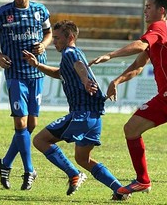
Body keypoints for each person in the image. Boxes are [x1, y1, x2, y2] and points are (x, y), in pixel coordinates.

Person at [89, 0, 167, 199]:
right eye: (145, 6)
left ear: (161, 11)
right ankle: (142, 180)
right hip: (164, 99)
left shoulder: (160, 27)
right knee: (131, 129)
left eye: (149, 6)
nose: (145, 10)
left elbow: (140, 45)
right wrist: (116, 81)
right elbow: (138, 66)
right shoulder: (157, 34)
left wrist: (111, 54)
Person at [22, 20, 127, 200]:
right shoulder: (74, 54)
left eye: (57, 38)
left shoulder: (70, 52)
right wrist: (37, 65)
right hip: (94, 117)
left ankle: (73, 174)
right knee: (83, 159)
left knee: (40, 140)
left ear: (70, 37)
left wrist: (86, 80)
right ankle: (119, 189)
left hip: (82, 114)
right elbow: (59, 73)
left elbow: (79, 66)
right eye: (53, 38)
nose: (54, 42)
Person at [0, 0, 52, 190]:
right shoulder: (2, 13)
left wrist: (44, 44)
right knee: (20, 124)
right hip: (15, 75)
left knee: (31, 125)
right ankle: (30, 170)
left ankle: (5, 163)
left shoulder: (41, 11)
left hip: (36, 73)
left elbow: (49, 32)